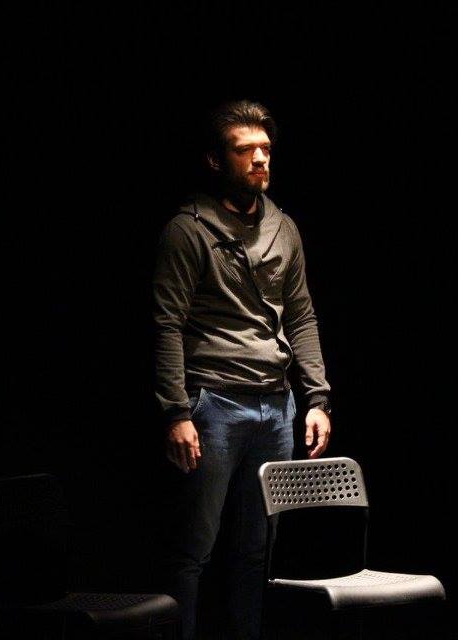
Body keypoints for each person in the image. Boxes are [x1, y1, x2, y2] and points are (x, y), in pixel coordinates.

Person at [152, 99, 332, 639]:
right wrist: (176, 411)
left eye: (266, 150)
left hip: (276, 404)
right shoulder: (187, 232)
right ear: (215, 160)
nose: (259, 160)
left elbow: (300, 314)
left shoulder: (284, 228)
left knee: (258, 550)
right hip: (214, 405)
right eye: (245, 150)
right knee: (195, 550)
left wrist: (317, 398)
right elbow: (167, 324)